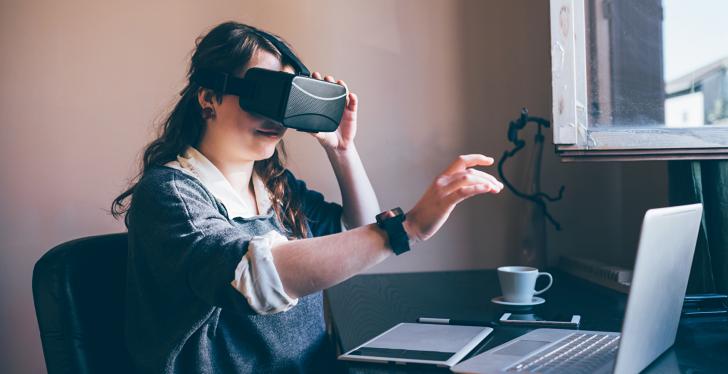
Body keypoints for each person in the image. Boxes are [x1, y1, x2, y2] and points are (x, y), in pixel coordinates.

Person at [111, 21, 503, 374]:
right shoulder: (171, 194)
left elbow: (357, 236)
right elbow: (253, 277)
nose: (278, 117)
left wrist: (342, 150)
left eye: (289, 98)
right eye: (266, 94)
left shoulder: (275, 186)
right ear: (208, 97)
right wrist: (408, 228)